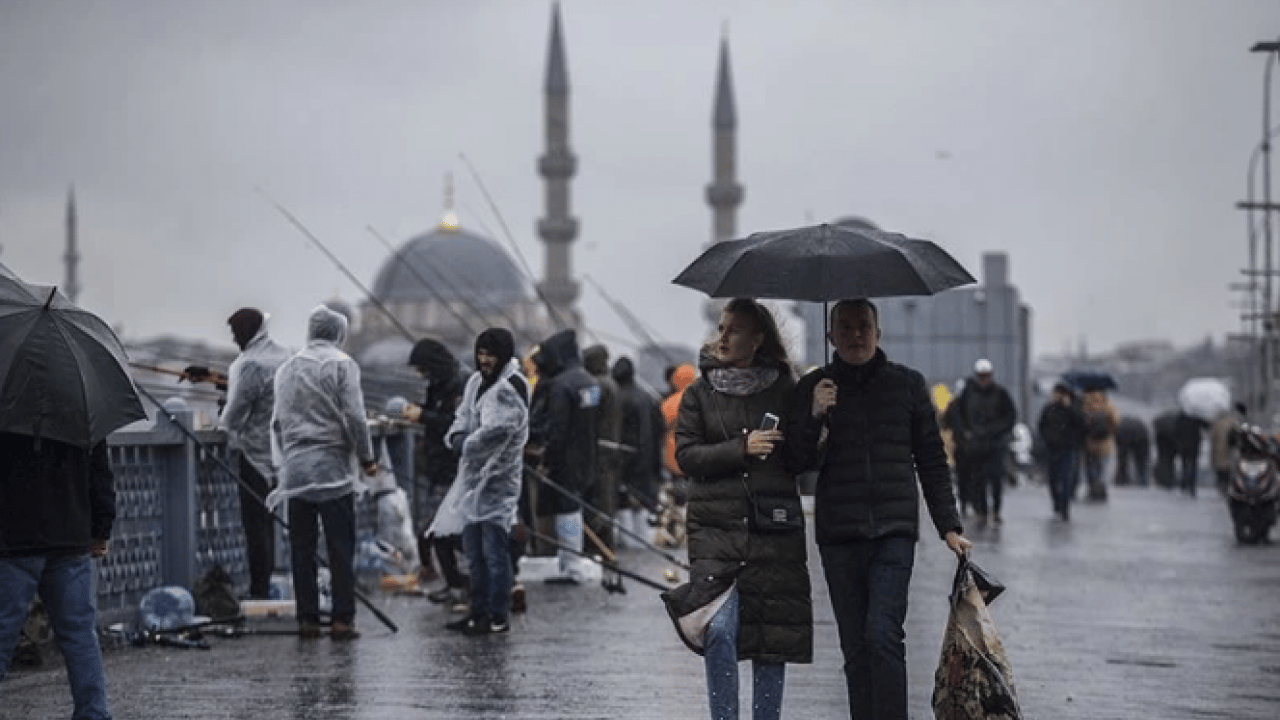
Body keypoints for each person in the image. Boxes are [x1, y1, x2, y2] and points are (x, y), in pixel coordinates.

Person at [788, 298, 970, 720]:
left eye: (863, 326)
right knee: (855, 648)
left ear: (878, 333)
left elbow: (931, 458)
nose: (855, 335)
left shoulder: (907, 386)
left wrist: (949, 525)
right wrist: (815, 413)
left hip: (893, 530)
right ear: (830, 335)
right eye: (845, 327)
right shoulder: (814, 389)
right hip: (839, 534)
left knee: (882, 635)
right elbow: (795, 462)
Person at [671, 298, 812, 720]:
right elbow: (686, 456)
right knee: (719, 630)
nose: (722, 337)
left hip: (773, 530)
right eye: (721, 327)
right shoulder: (698, 393)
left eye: (734, 329)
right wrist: (741, 448)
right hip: (715, 530)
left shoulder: (787, 390)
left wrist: (818, 416)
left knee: (771, 641)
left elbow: (805, 459)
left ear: (758, 339)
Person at [267, 305, 377, 640]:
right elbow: (355, 418)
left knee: (301, 548)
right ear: (339, 333)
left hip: (297, 473)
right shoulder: (343, 365)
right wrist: (367, 457)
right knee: (340, 546)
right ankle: (342, 619)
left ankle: (308, 620)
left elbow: (276, 422)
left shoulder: (287, 368)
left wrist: (287, 460)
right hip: (333, 472)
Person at [0, 434, 115, 719]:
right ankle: (94, 713)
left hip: (13, 537)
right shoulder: (81, 398)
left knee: (2, 632)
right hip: (70, 533)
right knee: (79, 635)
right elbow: (99, 471)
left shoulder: (6, 397)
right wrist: (101, 527)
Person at [436, 328, 530, 636]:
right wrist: (457, 436)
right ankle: (477, 613)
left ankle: (497, 615)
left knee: (494, 552)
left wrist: (465, 444)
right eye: (481, 353)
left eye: (490, 354)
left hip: (498, 482)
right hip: (472, 481)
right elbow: (462, 417)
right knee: (474, 552)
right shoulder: (476, 381)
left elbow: (497, 432)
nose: (484, 360)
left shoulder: (510, 386)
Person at [220, 307, 291, 599]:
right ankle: (269, 585)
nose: (234, 339)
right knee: (271, 525)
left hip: (254, 457)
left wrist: (223, 420)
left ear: (246, 332)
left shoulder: (249, 364)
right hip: (282, 455)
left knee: (255, 529)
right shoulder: (284, 356)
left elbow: (234, 415)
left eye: (236, 333)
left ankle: (259, 590)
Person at [402, 338, 471, 610]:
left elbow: (456, 424)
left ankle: (471, 584)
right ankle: (455, 586)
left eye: (423, 369)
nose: (422, 375)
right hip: (439, 466)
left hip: (453, 469)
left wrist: (423, 417)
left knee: (441, 530)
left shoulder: (460, 383)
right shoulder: (440, 383)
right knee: (437, 531)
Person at [527, 329, 600, 582]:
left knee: (566, 509)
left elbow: (557, 430)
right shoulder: (588, 381)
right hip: (586, 455)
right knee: (575, 507)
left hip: (565, 459)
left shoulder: (561, 385)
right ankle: (572, 562)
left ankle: (571, 567)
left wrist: (548, 462)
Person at [949, 359, 1017, 526]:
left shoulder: (1001, 394)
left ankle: (996, 510)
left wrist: (996, 431)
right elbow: (957, 416)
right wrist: (964, 433)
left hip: (995, 444)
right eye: (981, 376)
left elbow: (1010, 417)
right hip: (975, 445)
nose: (983, 380)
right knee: (977, 479)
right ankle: (981, 510)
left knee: (996, 479)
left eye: (986, 376)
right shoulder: (968, 394)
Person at [611, 356, 664, 549]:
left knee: (623, 504)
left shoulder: (618, 397)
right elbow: (659, 431)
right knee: (643, 505)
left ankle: (631, 545)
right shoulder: (648, 398)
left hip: (625, 461)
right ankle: (643, 546)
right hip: (648, 460)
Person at [582, 344, 623, 552]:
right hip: (611, 448)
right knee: (608, 498)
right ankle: (607, 543)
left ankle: (600, 545)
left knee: (600, 498)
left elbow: (586, 416)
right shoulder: (611, 383)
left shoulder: (597, 385)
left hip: (599, 451)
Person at [1037, 382, 1086, 520]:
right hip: (1052, 448)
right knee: (1053, 479)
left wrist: (1070, 408)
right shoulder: (1049, 409)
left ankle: (1065, 508)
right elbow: (1042, 425)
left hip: (1067, 449)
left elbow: (1082, 426)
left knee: (1065, 478)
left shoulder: (1073, 409)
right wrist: (1046, 439)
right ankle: (1057, 503)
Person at [1081, 390, 1119, 500]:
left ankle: (1092, 489)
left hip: (1089, 442)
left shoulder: (1085, 405)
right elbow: (1116, 421)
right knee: (1102, 467)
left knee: (1090, 467)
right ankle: (1101, 489)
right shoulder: (1107, 405)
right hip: (1105, 442)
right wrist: (1110, 431)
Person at [1114, 416, 1151, 487]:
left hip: (1125, 434)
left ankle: (1122, 479)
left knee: (1122, 460)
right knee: (1141, 461)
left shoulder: (1119, 424)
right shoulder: (1139, 424)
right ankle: (1143, 480)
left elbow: (1120, 449)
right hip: (1141, 434)